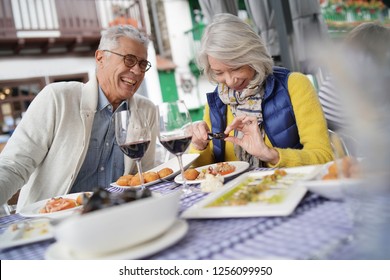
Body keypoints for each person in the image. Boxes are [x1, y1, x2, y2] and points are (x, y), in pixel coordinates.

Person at [0, 25, 157, 211]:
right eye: (129, 60)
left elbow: (145, 175)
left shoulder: (147, 110)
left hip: (117, 217)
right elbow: (13, 166)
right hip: (50, 223)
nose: (138, 71)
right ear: (100, 58)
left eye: (142, 64)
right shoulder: (57, 98)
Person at [190, 13, 333, 168]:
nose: (230, 80)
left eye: (236, 68)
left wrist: (271, 155)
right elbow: (204, 171)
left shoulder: (295, 85)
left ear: (253, 55)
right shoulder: (216, 104)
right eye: (219, 73)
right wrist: (198, 146)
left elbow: (324, 156)